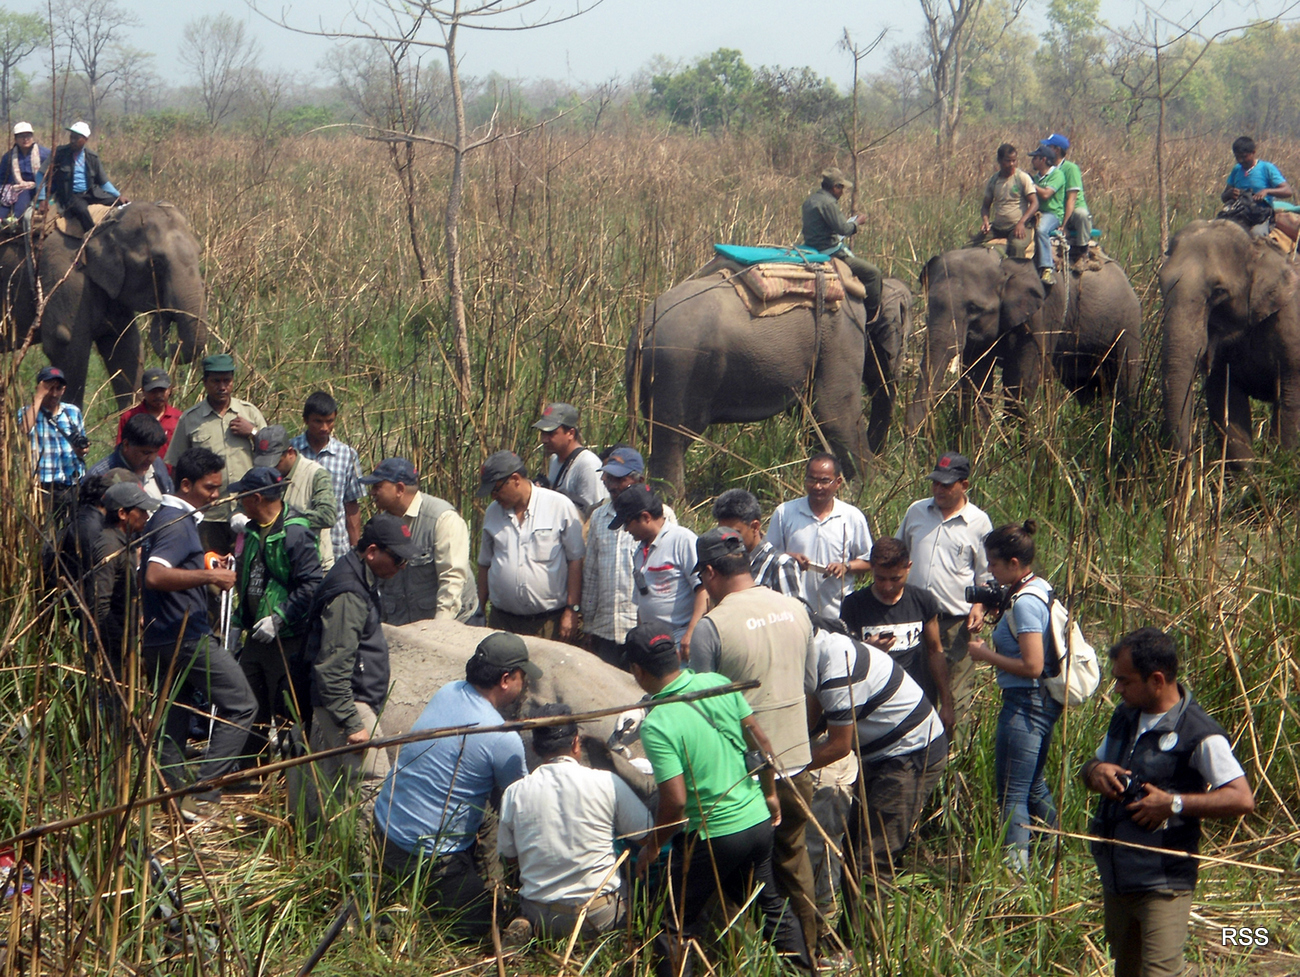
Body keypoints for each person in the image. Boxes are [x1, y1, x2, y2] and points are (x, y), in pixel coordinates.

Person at [625, 622, 812, 977]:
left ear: (636, 670)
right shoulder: (716, 683)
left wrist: (653, 846)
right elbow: (762, 743)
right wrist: (770, 794)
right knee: (770, 907)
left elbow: (676, 802)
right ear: (678, 654)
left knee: (674, 923)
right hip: (757, 822)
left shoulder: (658, 723)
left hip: (713, 837)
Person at [1082, 627, 1255, 977]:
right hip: (1117, 877)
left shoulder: (1199, 732)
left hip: (1163, 883)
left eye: (1124, 681)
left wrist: (1172, 804)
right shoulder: (1124, 716)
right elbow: (1092, 765)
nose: (1116, 689)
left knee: (1160, 972)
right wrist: (1095, 771)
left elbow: (1241, 798)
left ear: (1157, 680)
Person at [687, 527, 820, 960]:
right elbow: (808, 682)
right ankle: (809, 954)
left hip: (741, 776)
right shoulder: (796, 610)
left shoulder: (713, 626)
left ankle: (741, 960)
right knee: (793, 862)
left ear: (709, 572)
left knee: (736, 876)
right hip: (797, 762)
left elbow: (703, 711)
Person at [372, 633, 539, 939]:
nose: (524, 681)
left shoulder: (448, 691)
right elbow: (523, 805)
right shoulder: (502, 738)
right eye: (521, 675)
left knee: (483, 797)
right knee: (486, 927)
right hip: (431, 859)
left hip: (385, 831)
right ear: (505, 679)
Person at [139, 447, 255, 818]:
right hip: (185, 639)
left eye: (218, 487)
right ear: (185, 484)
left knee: (173, 718)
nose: (216, 495)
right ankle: (204, 792)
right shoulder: (176, 521)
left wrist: (203, 565)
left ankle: (174, 800)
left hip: (161, 639)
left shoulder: (169, 517)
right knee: (242, 705)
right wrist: (210, 576)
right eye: (209, 487)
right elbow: (155, 575)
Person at [806, 613, 948, 886]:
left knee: (870, 859)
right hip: (881, 751)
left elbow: (838, 746)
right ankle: (849, 925)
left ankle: (864, 929)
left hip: (911, 753)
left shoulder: (838, 666)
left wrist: (787, 767)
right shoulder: (819, 652)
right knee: (855, 843)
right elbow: (813, 721)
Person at [497, 703, 653, 940]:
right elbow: (647, 836)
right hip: (597, 914)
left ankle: (527, 925)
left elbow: (510, 858)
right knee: (634, 890)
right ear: (575, 744)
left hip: (540, 912)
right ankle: (619, 938)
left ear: (535, 748)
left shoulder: (514, 792)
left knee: (533, 900)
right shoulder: (606, 782)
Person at [298, 514, 415, 820]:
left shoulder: (360, 576)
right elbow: (332, 665)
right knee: (374, 788)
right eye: (399, 559)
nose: (403, 567)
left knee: (334, 792)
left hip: (346, 701)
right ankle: (365, 865)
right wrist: (352, 723)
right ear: (373, 551)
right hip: (348, 703)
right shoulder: (349, 593)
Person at [966, 520, 1062, 872]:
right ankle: (1053, 857)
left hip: (1025, 704)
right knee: (1033, 785)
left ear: (1014, 564)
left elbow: (1033, 665)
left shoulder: (1024, 603)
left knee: (1011, 793)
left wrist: (984, 655)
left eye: (993, 563)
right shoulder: (1037, 588)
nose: (989, 569)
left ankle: (1016, 873)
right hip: (1040, 703)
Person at [896, 451, 993, 746]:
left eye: (947, 485)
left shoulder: (978, 522)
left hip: (954, 624)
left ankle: (953, 765)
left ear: (964, 484)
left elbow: (986, 575)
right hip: (913, 619)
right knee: (913, 692)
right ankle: (917, 756)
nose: (939, 490)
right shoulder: (916, 511)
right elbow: (898, 553)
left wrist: (979, 606)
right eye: (935, 483)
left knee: (955, 697)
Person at [229, 466, 324, 763]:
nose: (238, 502)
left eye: (242, 496)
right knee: (248, 702)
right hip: (257, 635)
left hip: (287, 640)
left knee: (285, 708)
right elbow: (248, 577)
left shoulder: (294, 532)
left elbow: (312, 584)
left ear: (256, 498)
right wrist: (237, 623)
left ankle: (287, 777)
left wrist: (279, 617)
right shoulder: (252, 530)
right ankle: (250, 772)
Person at [839, 537, 955, 733]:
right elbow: (844, 659)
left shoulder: (922, 600)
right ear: (872, 569)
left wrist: (946, 701)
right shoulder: (854, 605)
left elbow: (935, 650)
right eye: (880, 578)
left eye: (895, 579)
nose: (887, 587)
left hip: (916, 699)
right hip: (872, 704)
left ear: (908, 567)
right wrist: (868, 650)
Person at [582, 445, 678, 667]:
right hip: (605, 629)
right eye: (608, 477)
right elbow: (592, 576)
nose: (611, 484)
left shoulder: (661, 516)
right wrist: (587, 624)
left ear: (639, 480)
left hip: (642, 628)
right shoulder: (598, 517)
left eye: (619, 479)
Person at [476, 450, 585, 640]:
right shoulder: (493, 513)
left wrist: (572, 609)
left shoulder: (559, 506)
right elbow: (485, 563)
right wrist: (479, 609)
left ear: (515, 479)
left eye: (496, 490)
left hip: (548, 623)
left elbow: (575, 560)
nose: (494, 497)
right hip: (502, 621)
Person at [165, 353, 267, 555]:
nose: (222, 387)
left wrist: (253, 432)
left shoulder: (249, 413)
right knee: (209, 572)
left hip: (248, 509)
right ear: (205, 382)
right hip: (208, 514)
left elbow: (272, 452)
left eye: (227, 380)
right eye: (216, 381)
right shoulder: (190, 419)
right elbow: (176, 467)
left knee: (248, 571)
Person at [362, 457, 477, 624]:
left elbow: (452, 578)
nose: (372, 492)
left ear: (399, 489)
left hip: (454, 623)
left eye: (377, 487)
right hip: (405, 627)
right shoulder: (382, 524)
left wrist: (440, 627)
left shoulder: (442, 518)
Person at [766, 453, 873, 619]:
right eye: (811, 479)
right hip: (793, 611)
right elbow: (767, 555)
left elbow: (868, 561)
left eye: (824, 481)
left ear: (838, 482)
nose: (817, 486)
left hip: (838, 612)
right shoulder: (785, 513)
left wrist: (846, 567)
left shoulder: (851, 516)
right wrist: (789, 557)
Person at [608, 484, 707, 659]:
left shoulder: (682, 540)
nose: (625, 530)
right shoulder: (639, 551)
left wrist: (691, 633)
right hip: (653, 641)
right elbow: (642, 599)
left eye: (627, 523)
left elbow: (703, 589)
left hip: (680, 637)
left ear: (645, 517)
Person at [91, 481, 158, 679]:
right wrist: (122, 646)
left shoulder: (125, 542)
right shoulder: (110, 547)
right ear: (122, 514)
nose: (147, 517)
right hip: (112, 647)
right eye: (142, 511)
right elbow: (100, 606)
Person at [250, 425, 338, 570]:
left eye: (275, 463)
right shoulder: (261, 475)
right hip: (276, 567)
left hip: (313, 566)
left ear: (290, 452)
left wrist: (284, 517)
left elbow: (328, 516)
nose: (270, 469)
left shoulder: (316, 474)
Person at [801, 166, 881, 320]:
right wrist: (857, 222)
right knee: (873, 274)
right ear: (834, 187)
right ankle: (870, 317)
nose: (843, 192)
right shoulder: (828, 203)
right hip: (829, 251)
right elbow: (844, 229)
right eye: (841, 188)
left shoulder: (810, 201)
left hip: (812, 247)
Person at [291, 391, 363, 557]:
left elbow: (351, 504)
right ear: (306, 420)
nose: (324, 428)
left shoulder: (347, 455)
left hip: (336, 544)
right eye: (318, 421)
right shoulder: (291, 452)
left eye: (329, 421)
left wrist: (356, 549)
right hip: (296, 541)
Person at [20, 365, 88, 519]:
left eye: (59, 388)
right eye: (50, 388)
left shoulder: (72, 412)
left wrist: (81, 451)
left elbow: (83, 443)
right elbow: (23, 429)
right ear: (40, 388)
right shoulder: (28, 413)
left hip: (72, 484)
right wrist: (38, 397)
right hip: (45, 487)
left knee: (73, 534)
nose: (54, 393)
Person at [37, 121, 126, 234]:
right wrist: (42, 198)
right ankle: (92, 237)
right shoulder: (60, 153)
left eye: (76, 138)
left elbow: (103, 182)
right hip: (71, 196)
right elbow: (40, 174)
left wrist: (119, 196)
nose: (72, 140)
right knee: (83, 211)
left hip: (91, 192)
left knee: (119, 204)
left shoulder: (92, 157)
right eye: (71, 137)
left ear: (85, 140)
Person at [713, 488, 803, 597]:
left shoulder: (779, 564)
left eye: (735, 533)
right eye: (722, 533)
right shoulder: (724, 562)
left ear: (755, 527)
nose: (727, 539)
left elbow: (794, 611)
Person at [532, 402, 608, 519]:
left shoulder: (588, 464)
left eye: (551, 433)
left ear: (570, 433)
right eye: (542, 433)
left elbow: (594, 514)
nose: (544, 440)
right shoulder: (555, 460)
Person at [1220, 135, 1300, 239]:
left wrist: (1266, 191)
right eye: (1237, 157)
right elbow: (1224, 197)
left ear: (1253, 152)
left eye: (1244, 157)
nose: (1241, 160)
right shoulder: (1236, 170)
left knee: (1257, 236)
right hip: (1239, 211)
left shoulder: (1266, 168)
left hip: (1260, 213)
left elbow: (1287, 191)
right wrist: (1229, 194)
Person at [972, 143, 1038, 259]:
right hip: (998, 227)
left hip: (1017, 225)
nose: (1011, 164)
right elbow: (985, 206)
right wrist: (985, 221)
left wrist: (1022, 222)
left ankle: (1019, 275)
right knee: (970, 246)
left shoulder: (1022, 177)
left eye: (1014, 160)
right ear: (999, 160)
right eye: (1008, 161)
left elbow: (1034, 203)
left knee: (1017, 246)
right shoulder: (993, 180)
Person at [87, 414, 173, 500]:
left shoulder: (158, 464)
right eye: (146, 452)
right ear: (126, 445)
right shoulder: (99, 476)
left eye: (156, 452)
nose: (152, 459)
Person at [116, 367, 182, 459]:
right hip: (137, 472)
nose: (158, 395)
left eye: (162, 390)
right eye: (153, 391)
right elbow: (120, 451)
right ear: (143, 391)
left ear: (169, 389)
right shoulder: (129, 417)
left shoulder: (179, 418)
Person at [1043, 133, 1090, 246]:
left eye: (1049, 147)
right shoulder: (1048, 168)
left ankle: (1082, 250)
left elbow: (1071, 199)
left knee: (1081, 214)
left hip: (1071, 211)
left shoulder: (1070, 169)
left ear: (1057, 150)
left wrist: (1063, 225)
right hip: (1056, 210)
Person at [1030, 144, 1068, 285]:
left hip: (1052, 214)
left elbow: (1046, 194)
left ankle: (1047, 268)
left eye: (1035, 158)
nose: (1032, 161)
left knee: (1041, 230)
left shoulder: (1057, 175)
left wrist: (1032, 186)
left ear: (1043, 159)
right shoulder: (1036, 177)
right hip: (1037, 212)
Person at [0, 122, 50, 224]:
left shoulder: (44, 154)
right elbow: (2, 178)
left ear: (32, 137)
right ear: (15, 139)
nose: (25, 139)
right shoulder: (8, 157)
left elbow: (52, 175)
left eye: (28, 136)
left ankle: (15, 220)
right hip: (14, 189)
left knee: (24, 193)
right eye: (21, 136)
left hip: (38, 189)